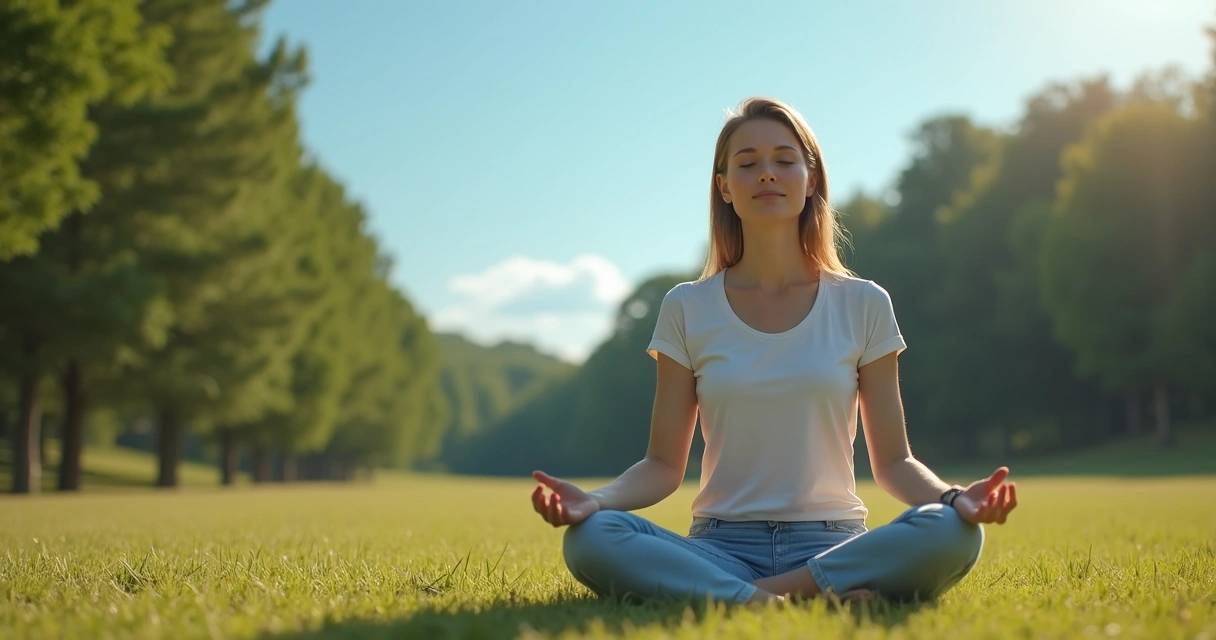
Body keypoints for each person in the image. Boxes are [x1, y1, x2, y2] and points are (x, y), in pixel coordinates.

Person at [529, 96, 1018, 606]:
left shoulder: (864, 303)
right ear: (724, 186)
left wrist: (953, 498)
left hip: (832, 544)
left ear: (811, 179)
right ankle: (810, 600)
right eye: (747, 163)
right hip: (720, 546)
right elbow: (662, 465)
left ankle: (744, 600)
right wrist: (595, 502)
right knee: (592, 537)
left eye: (785, 160)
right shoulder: (687, 306)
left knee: (952, 530)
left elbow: (895, 462)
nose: (767, 173)